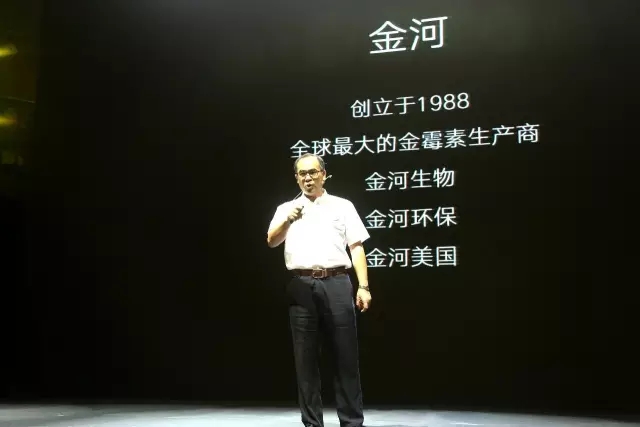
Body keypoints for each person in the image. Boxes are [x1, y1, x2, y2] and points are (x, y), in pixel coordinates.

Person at [267, 153, 372, 427]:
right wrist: (288, 220)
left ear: (323, 175)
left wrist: (363, 286)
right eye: (302, 174)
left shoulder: (342, 206)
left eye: (313, 172)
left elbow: (356, 247)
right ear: (296, 178)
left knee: (345, 357)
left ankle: (352, 422)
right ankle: (312, 423)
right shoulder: (286, 209)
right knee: (305, 361)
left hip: (337, 282)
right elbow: (271, 241)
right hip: (301, 284)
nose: (308, 178)